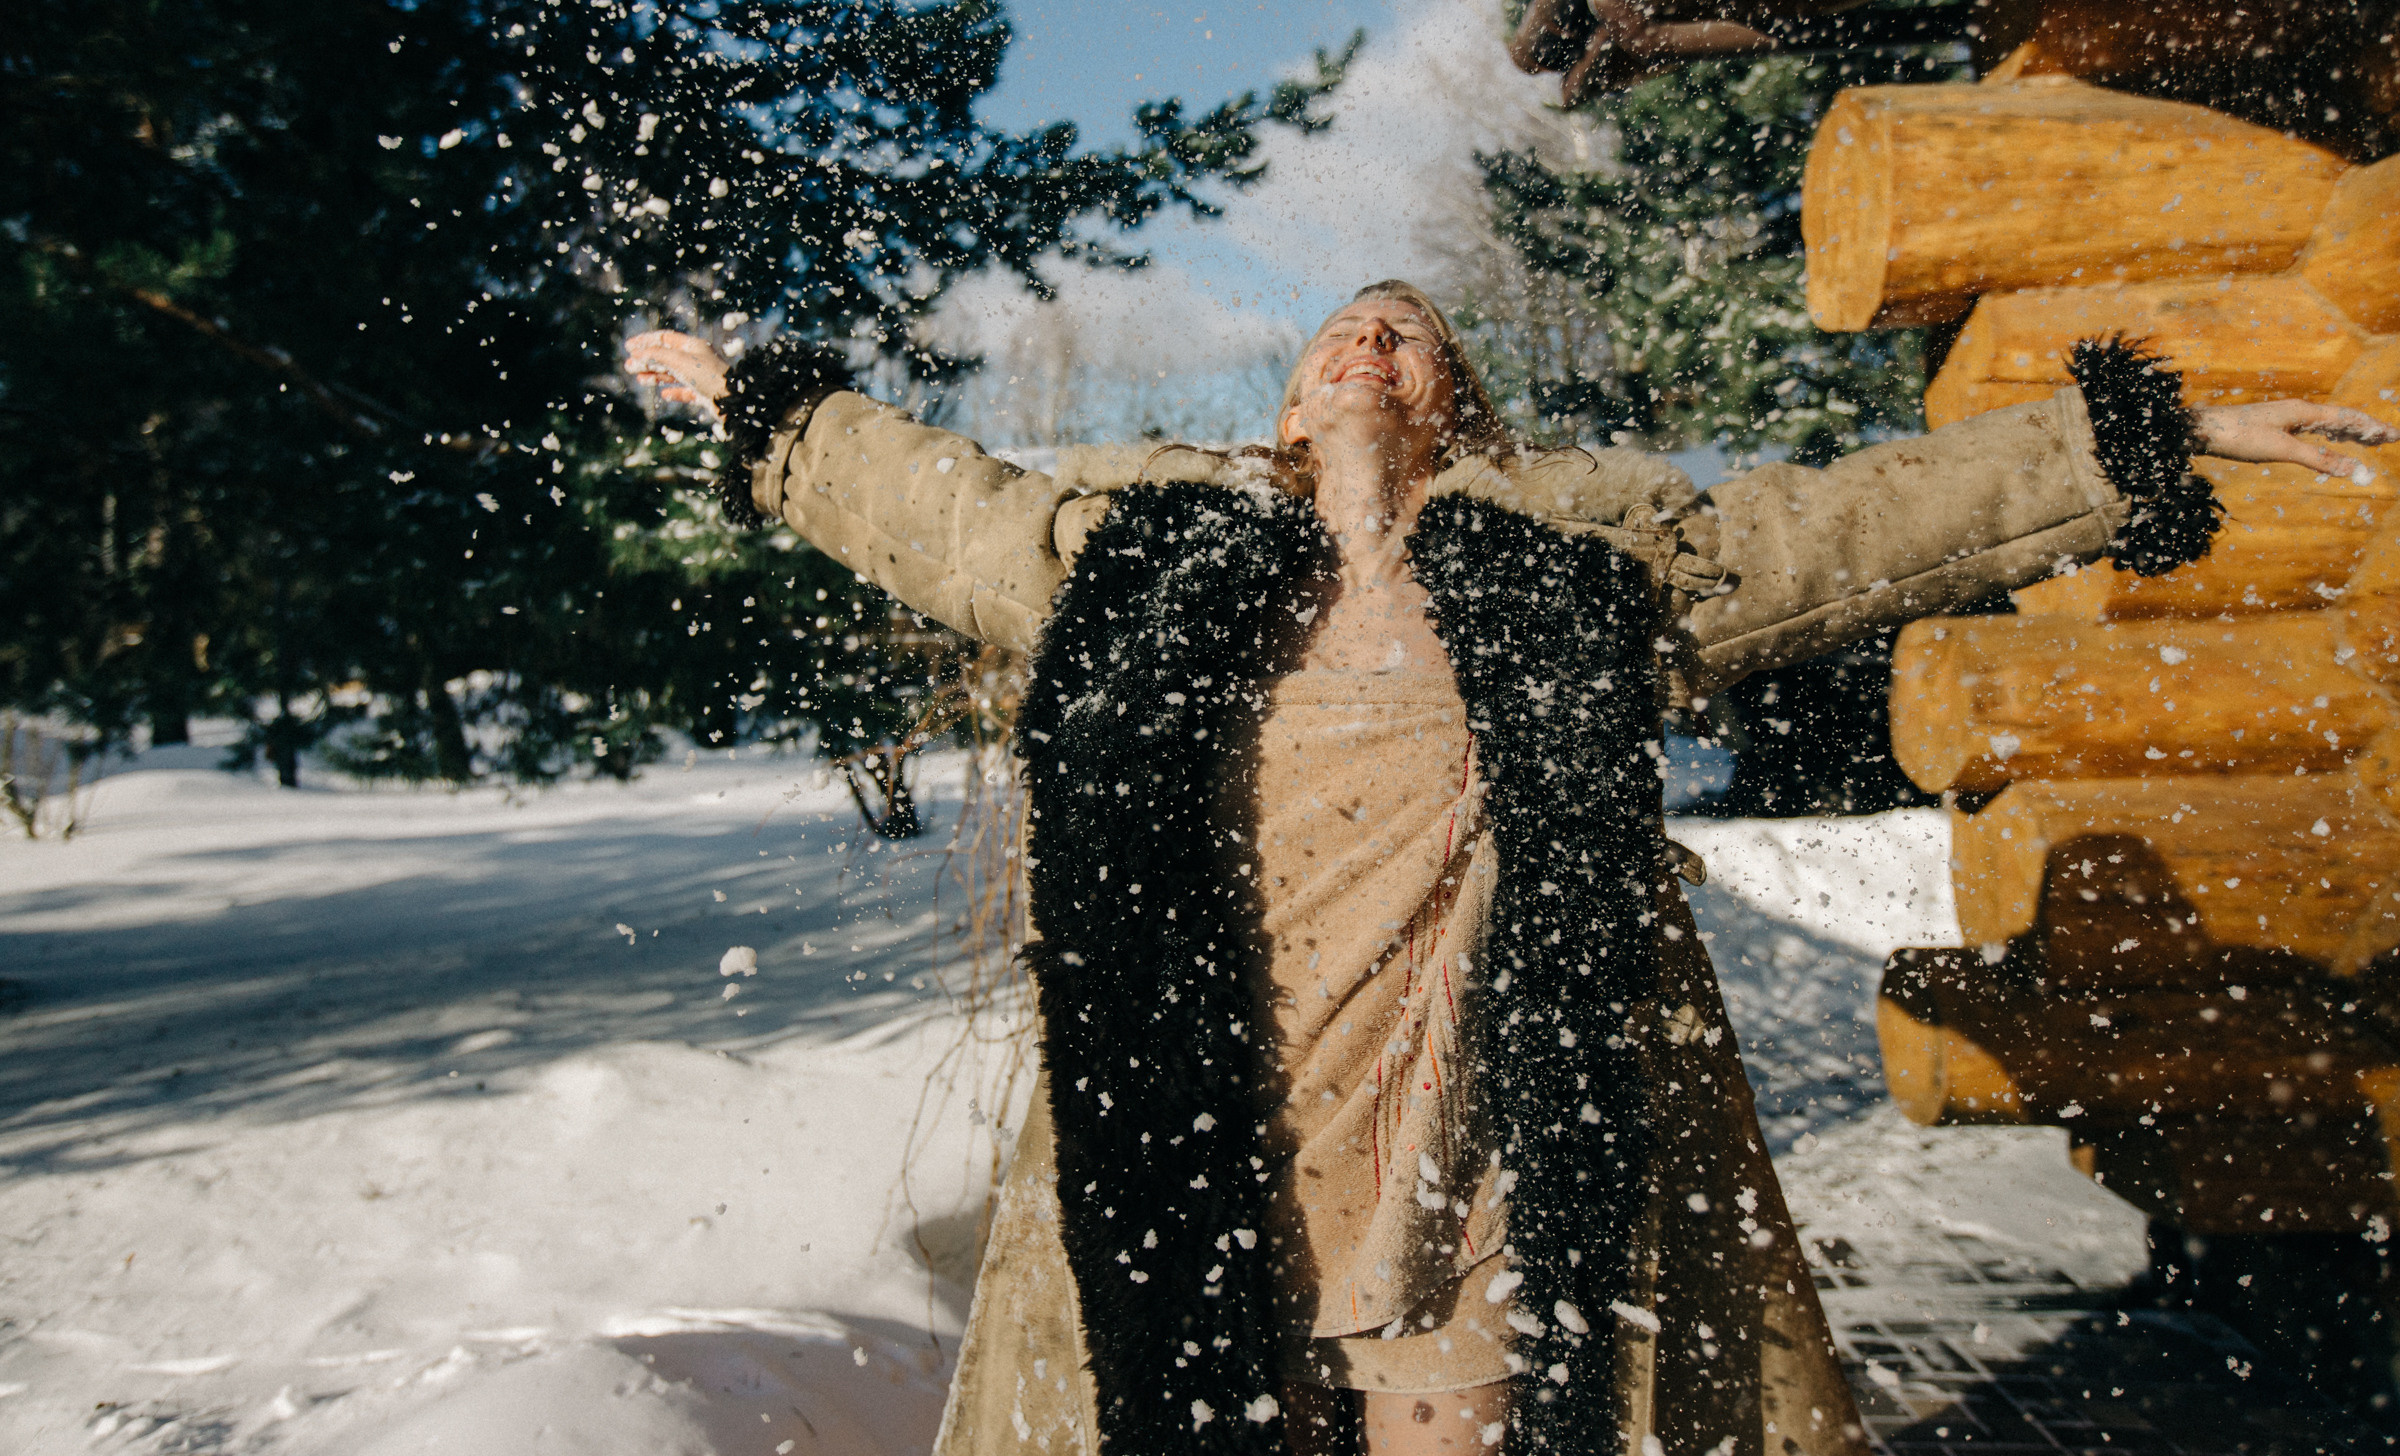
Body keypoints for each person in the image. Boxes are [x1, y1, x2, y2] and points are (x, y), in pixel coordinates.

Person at [628, 287, 2392, 1456]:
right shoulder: (1140, 557)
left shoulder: (1582, 566)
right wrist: (774, 415)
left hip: (1473, 1142)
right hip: (1216, 1143)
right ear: (1289, 394)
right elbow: (937, 506)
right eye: (1341, 329)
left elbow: (1856, 523)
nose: (1367, 346)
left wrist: (2126, 447)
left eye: (1406, 334)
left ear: (1454, 395)